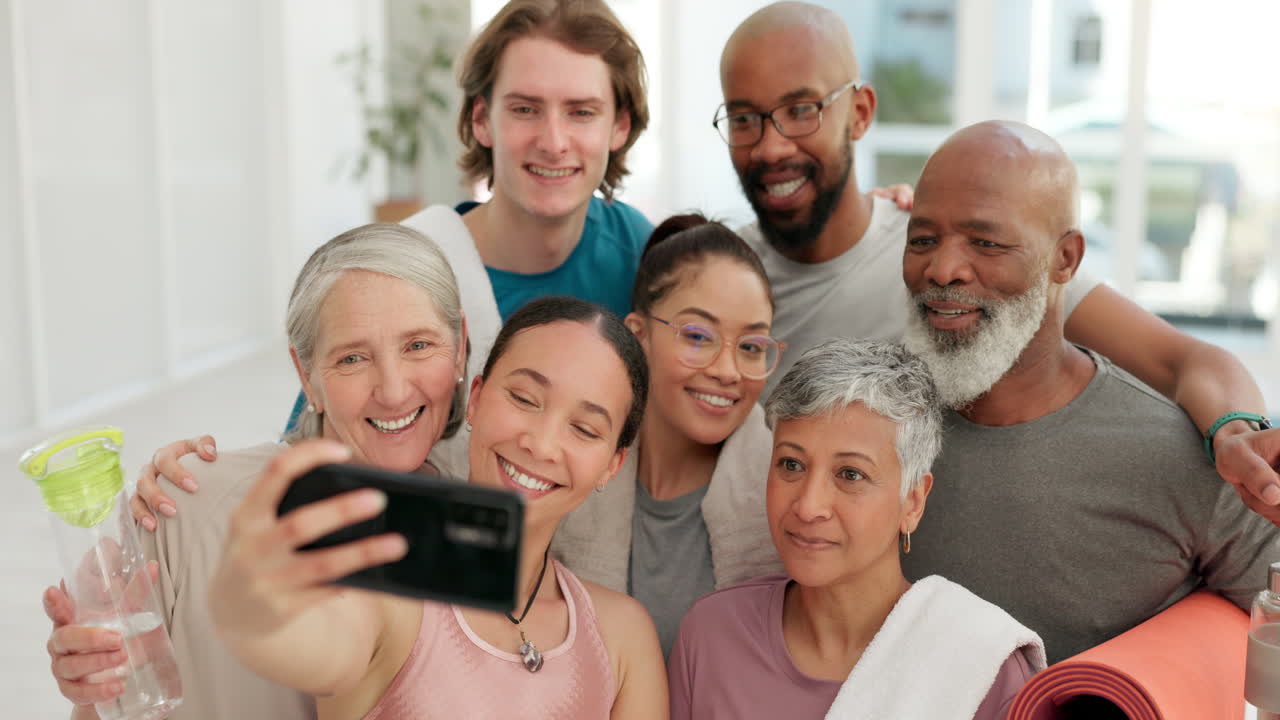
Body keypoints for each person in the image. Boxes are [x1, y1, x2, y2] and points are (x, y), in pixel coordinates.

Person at [717, 1, 1280, 516]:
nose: (771, 146)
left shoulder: (964, 265)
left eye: (801, 110)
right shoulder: (718, 278)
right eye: (744, 119)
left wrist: (1233, 432)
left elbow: (1185, 360)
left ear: (860, 112)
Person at [42, 222, 470, 719]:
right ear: (305, 376)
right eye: (352, 358)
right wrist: (92, 680)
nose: (393, 390)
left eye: (418, 345)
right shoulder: (186, 503)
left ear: (459, 346)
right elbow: (108, 708)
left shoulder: (478, 535)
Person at [898, 120, 1280, 663]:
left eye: (986, 241)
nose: (943, 269)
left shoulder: (1184, 455)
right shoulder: (878, 426)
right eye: (922, 240)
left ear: (1066, 259)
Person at [208, 296, 665, 719]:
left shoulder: (623, 636)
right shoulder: (385, 586)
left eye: (584, 429)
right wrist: (250, 611)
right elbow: (320, 650)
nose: (542, 444)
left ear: (612, 464)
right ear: (479, 399)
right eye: (524, 399)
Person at [668, 339, 1045, 719]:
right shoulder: (711, 635)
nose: (808, 506)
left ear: (913, 502)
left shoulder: (981, 666)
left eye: (851, 474)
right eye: (791, 465)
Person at [552, 215, 784, 656]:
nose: (726, 371)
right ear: (638, 336)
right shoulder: (568, 475)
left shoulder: (786, 499)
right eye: (698, 336)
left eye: (752, 346)